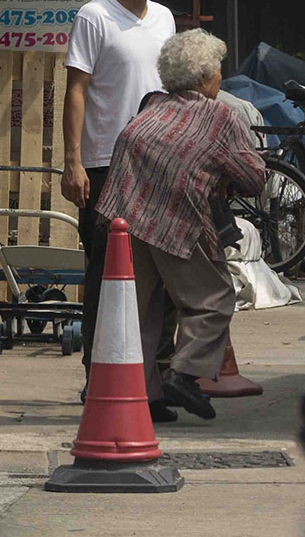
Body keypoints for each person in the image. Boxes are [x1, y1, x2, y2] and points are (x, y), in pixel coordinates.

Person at [96, 29, 266, 420]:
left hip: (124, 221)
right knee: (215, 299)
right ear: (206, 77)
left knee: (140, 315)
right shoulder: (218, 115)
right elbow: (255, 179)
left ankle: (144, 399)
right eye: (219, 71)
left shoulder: (153, 105)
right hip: (174, 222)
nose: (221, 78)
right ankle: (184, 374)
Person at [60, 0, 179, 399]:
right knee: (108, 274)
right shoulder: (95, 15)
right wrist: (72, 161)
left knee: (165, 277)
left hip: (161, 165)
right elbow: (75, 90)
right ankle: (101, 382)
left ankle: (154, 383)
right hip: (107, 163)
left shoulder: (166, 18)